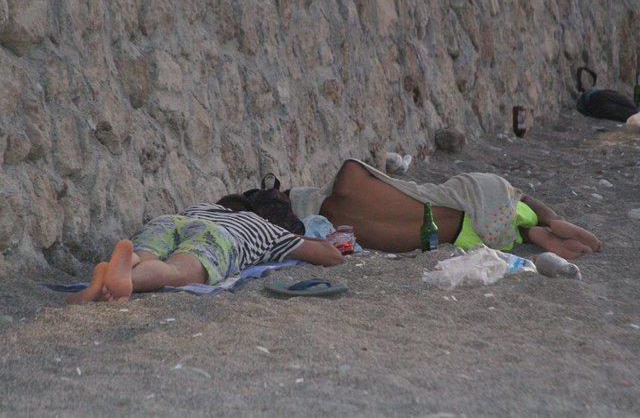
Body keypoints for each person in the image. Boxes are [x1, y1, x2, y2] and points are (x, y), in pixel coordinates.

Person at [286, 159, 602, 259]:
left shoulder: (340, 231)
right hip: (479, 195)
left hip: (467, 235)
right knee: (512, 197)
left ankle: (531, 232)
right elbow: (353, 168)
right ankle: (550, 220)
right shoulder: (348, 181)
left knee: (477, 221)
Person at [66, 204, 343, 304]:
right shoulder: (268, 230)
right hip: (218, 236)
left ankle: (126, 265)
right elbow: (331, 255)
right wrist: (295, 236)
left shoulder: (205, 206)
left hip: (172, 220)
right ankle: (130, 279)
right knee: (176, 271)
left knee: (148, 255)